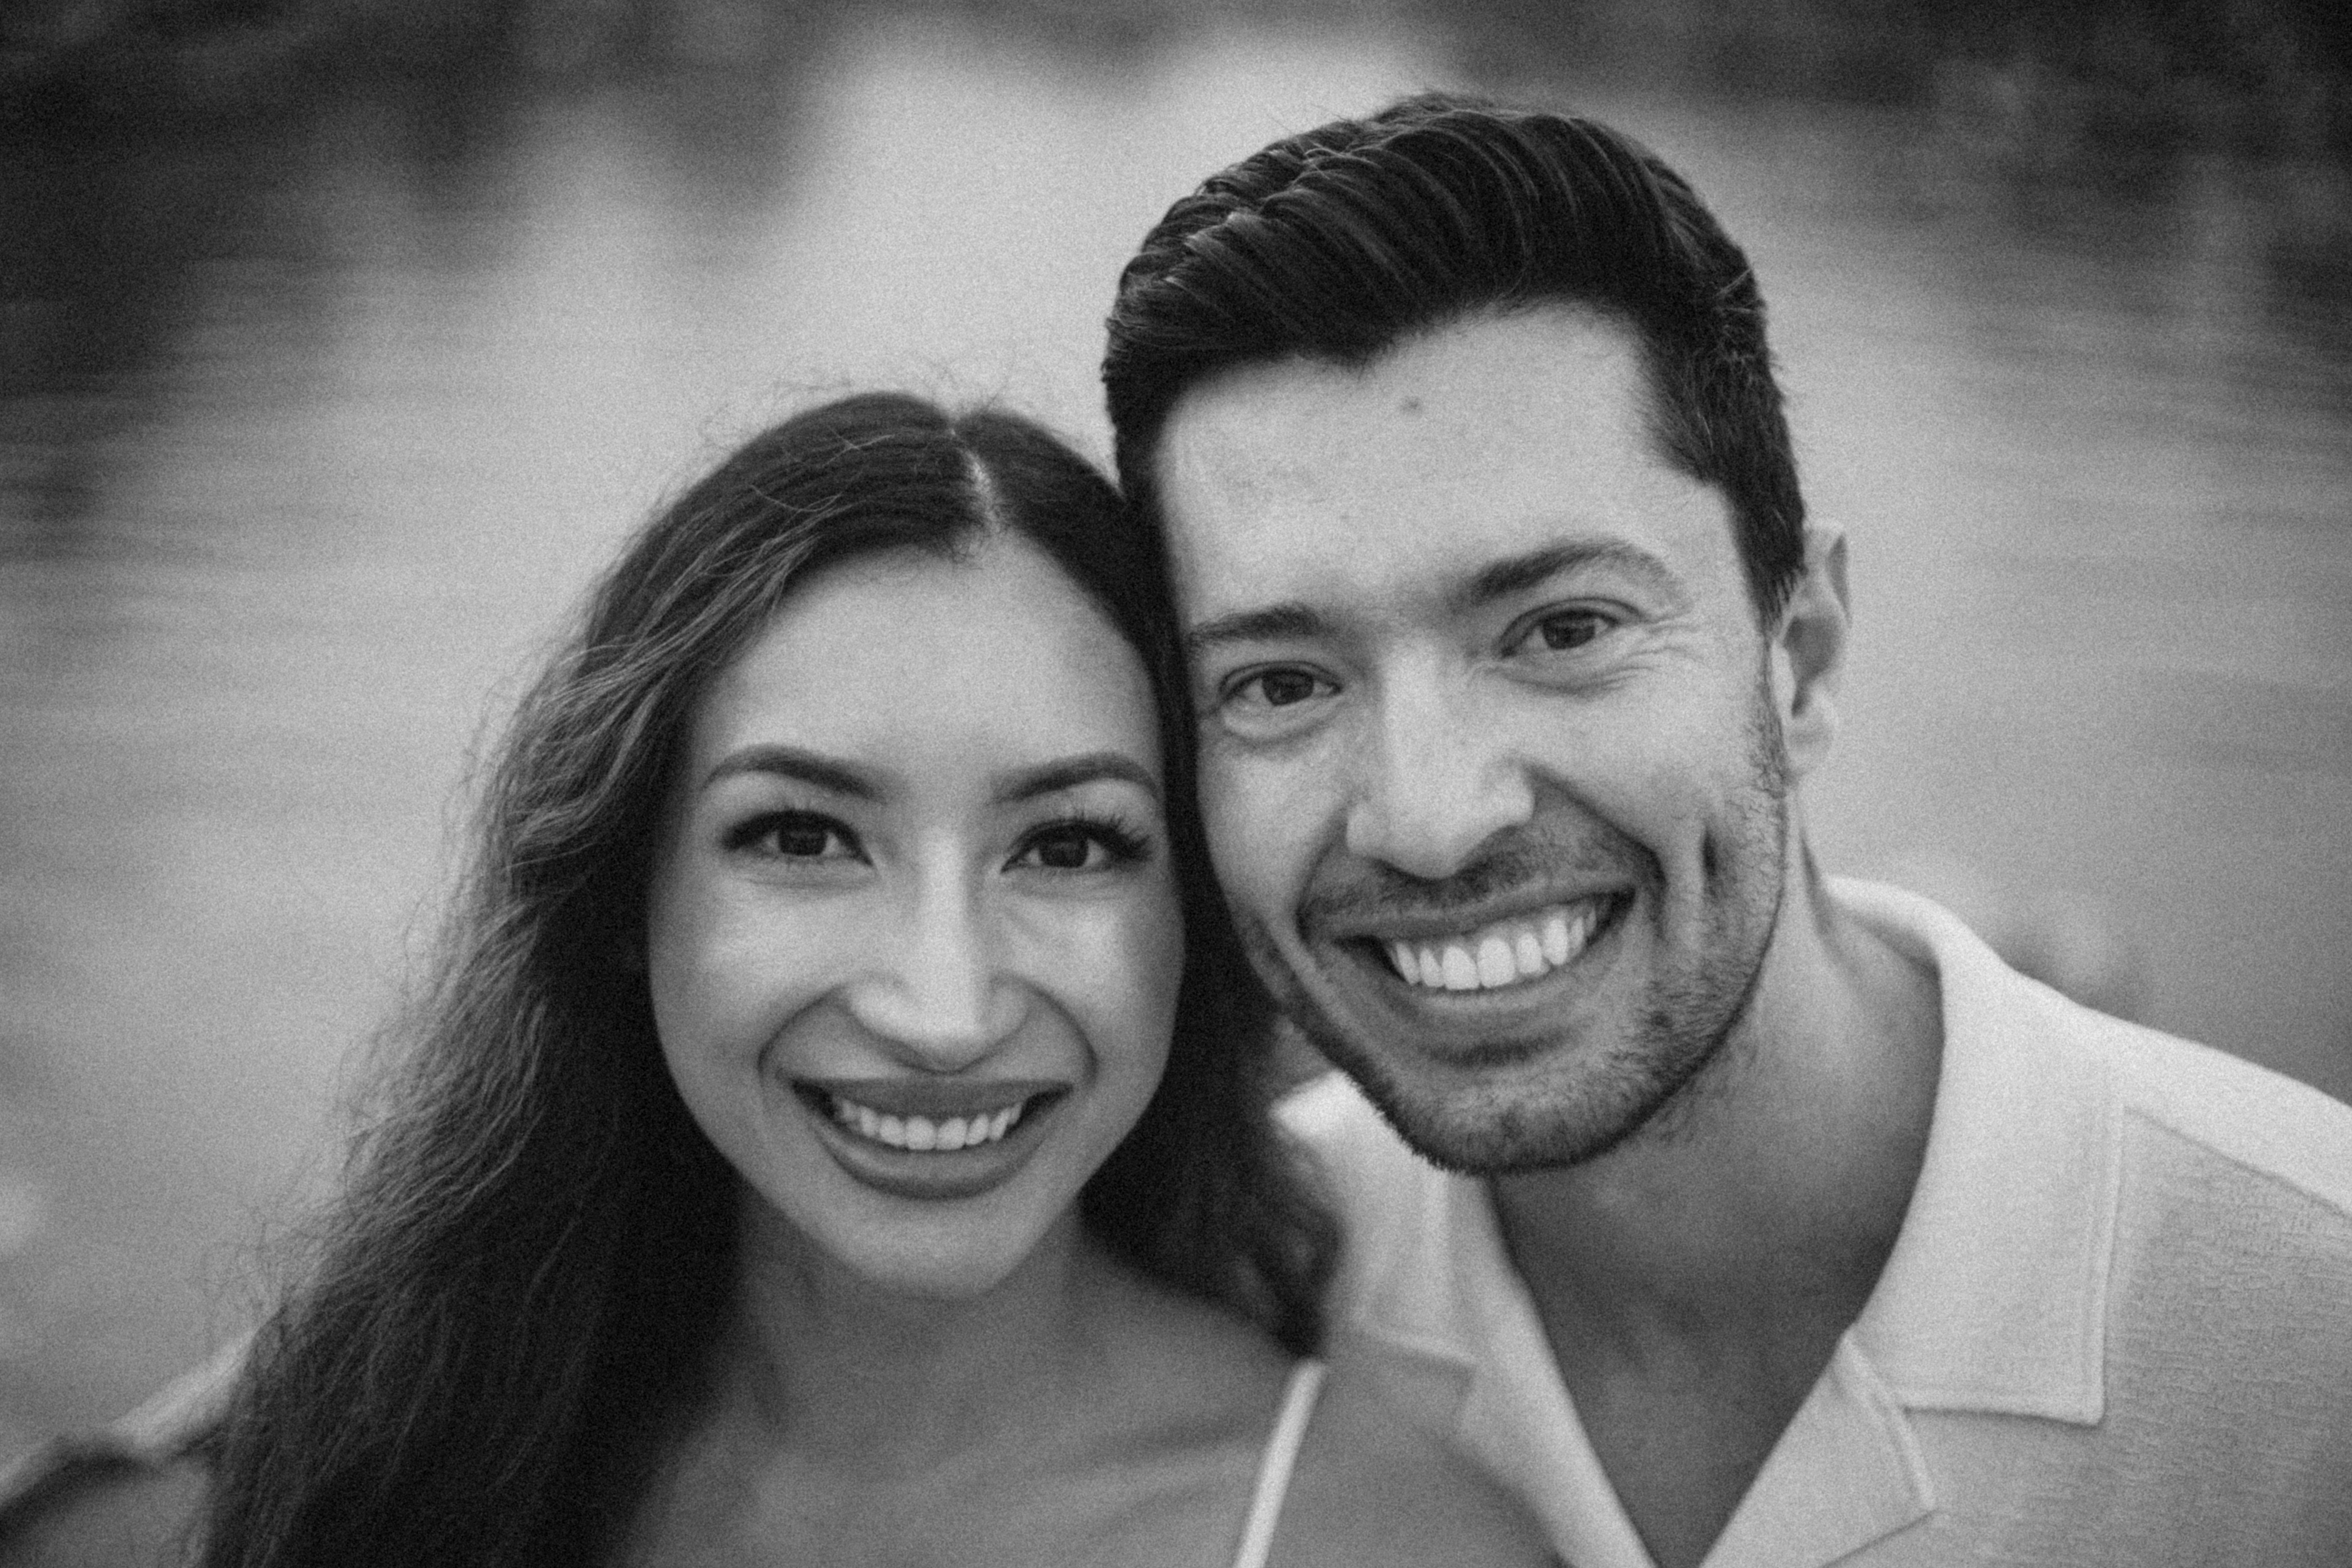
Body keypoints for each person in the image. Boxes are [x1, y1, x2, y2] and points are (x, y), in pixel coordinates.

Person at [1100, 92, 2352, 1568]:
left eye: (1561, 628)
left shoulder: (2306, 1327)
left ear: (1803, 650)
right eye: (1283, 682)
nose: (1431, 823)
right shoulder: (1216, 1313)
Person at [0, 394, 1549, 1567]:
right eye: (804, 834)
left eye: (1071, 845)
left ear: (1193, 920)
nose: (943, 1011)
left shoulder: (1382, 1539)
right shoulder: (335, 1470)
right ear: (625, 893)